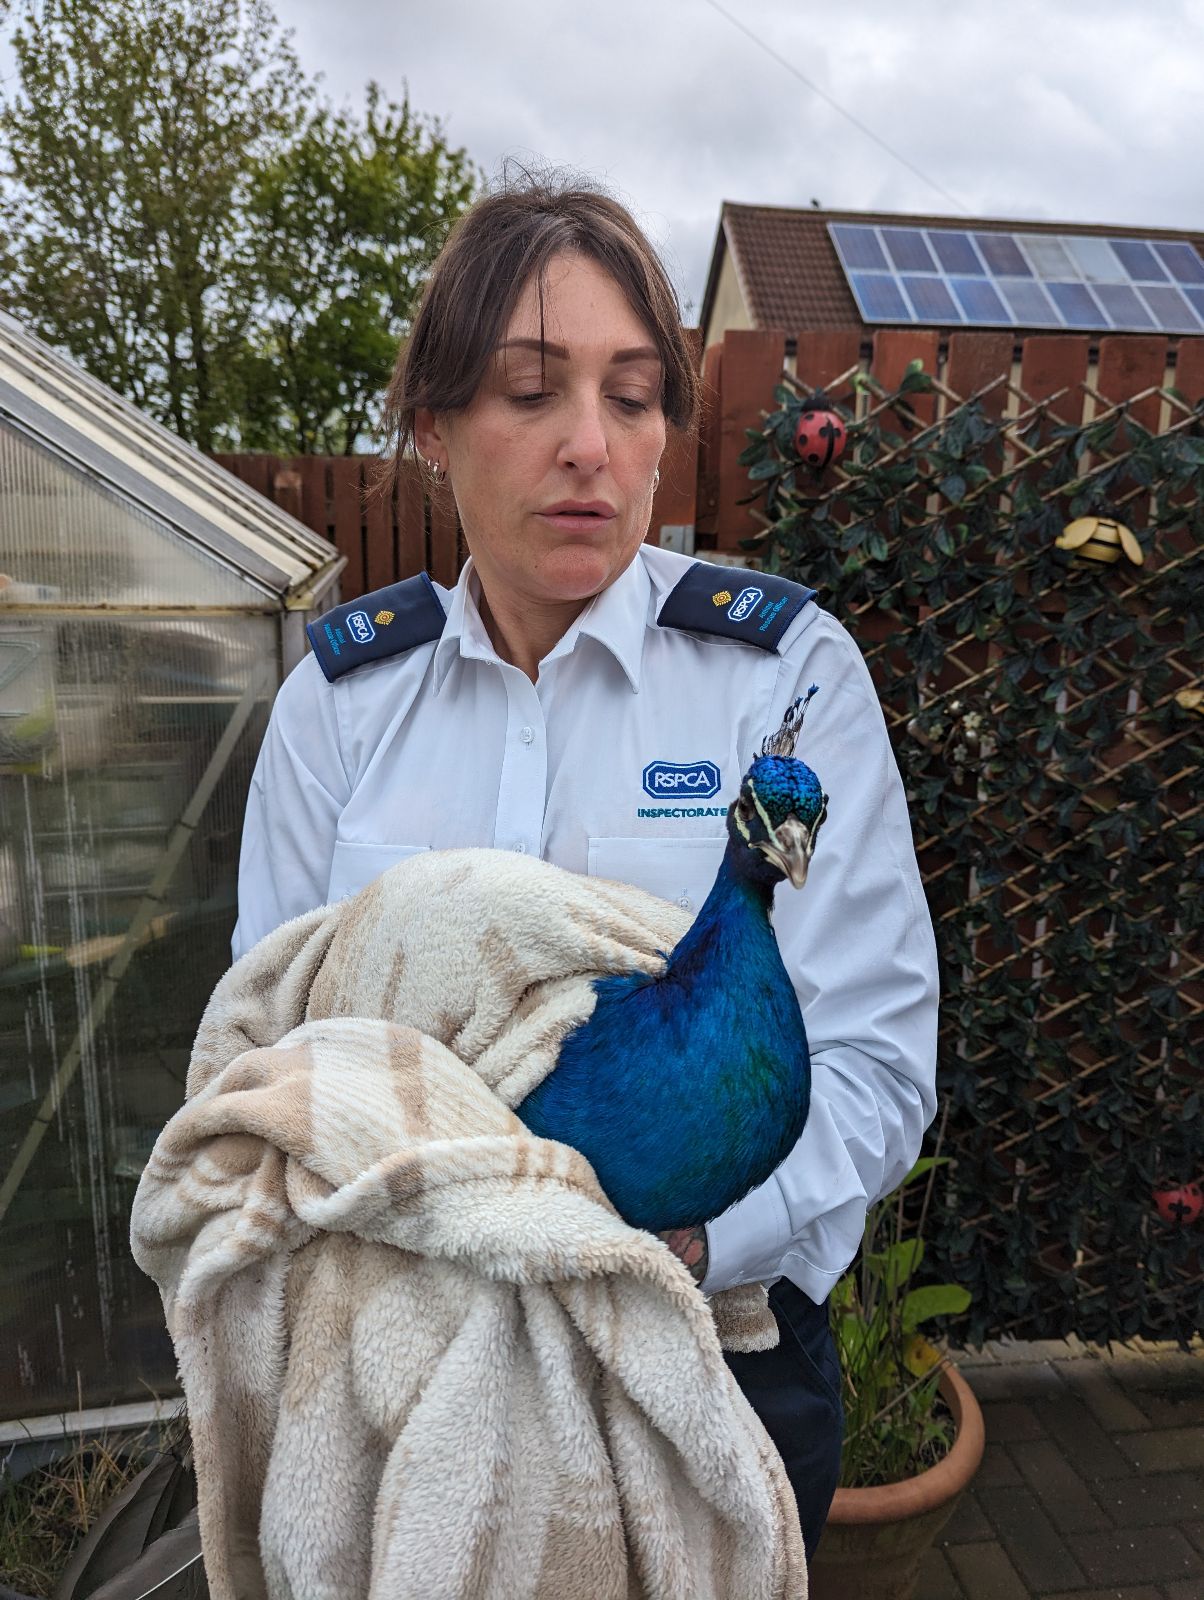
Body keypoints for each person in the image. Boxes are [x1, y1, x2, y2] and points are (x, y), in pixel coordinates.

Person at [232, 175, 939, 1561]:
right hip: (412, 1355)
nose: (589, 448)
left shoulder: (779, 683)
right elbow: (280, 1056)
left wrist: (679, 1254)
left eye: (632, 397)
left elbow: (872, 1059)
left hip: (713, 1355)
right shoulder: (341, 703)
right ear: (433, 426)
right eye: (530, 392)